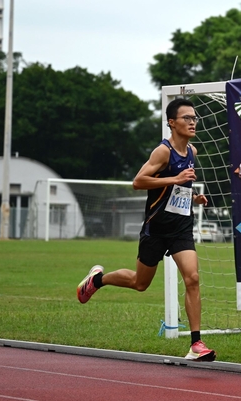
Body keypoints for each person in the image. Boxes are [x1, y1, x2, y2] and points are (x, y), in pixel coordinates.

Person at [76, 98, 216, 362]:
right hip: (156, 229)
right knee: (140, 283)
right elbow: (138, 181)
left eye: (194, 118)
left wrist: (193, 197)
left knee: (193, 278)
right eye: (186, 118)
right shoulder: (163, 152)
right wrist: (176, 178)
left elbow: (178, 188)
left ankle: (196, 343)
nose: (193, 122)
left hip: (181, 228)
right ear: (172, 123)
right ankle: (97, 280)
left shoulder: (192, 152)